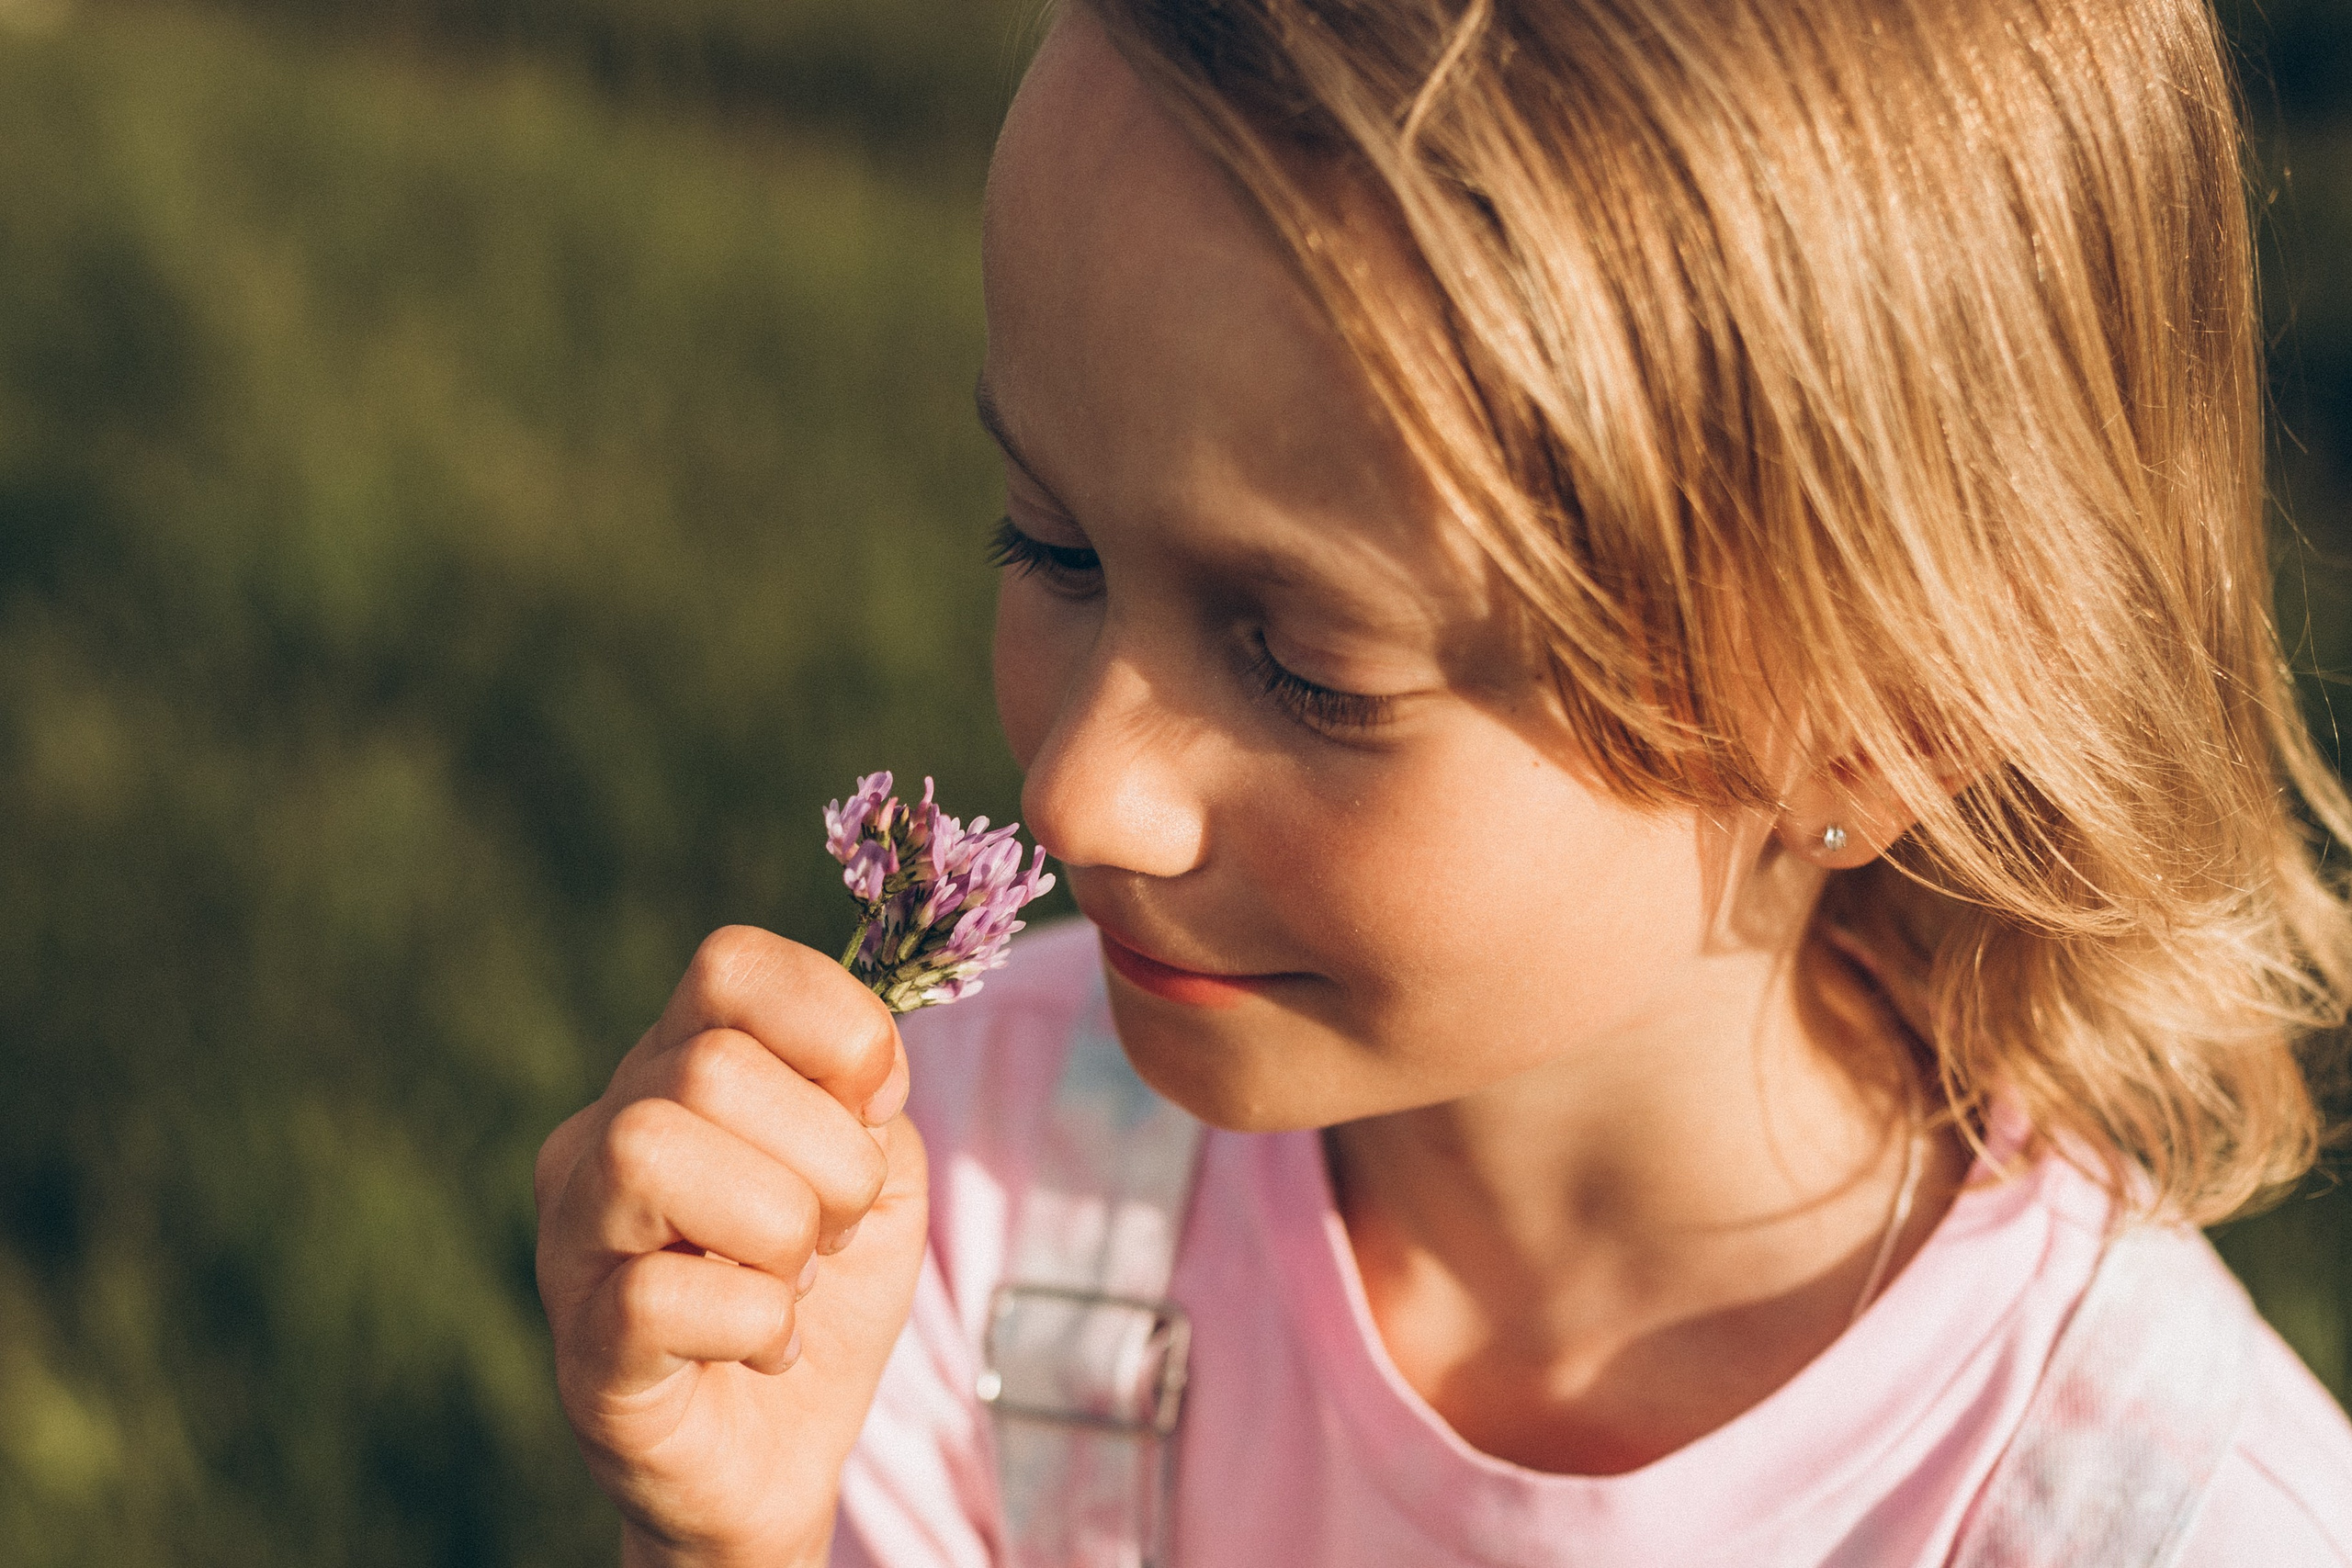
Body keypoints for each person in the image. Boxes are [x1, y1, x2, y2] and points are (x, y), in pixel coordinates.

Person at [530, 0, 2352, 1562]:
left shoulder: (2156, 1518)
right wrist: (732, 1535)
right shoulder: (956, 1187)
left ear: (1876, 724)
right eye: (1052, 547)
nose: (1082, 795)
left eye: (1308, 669)